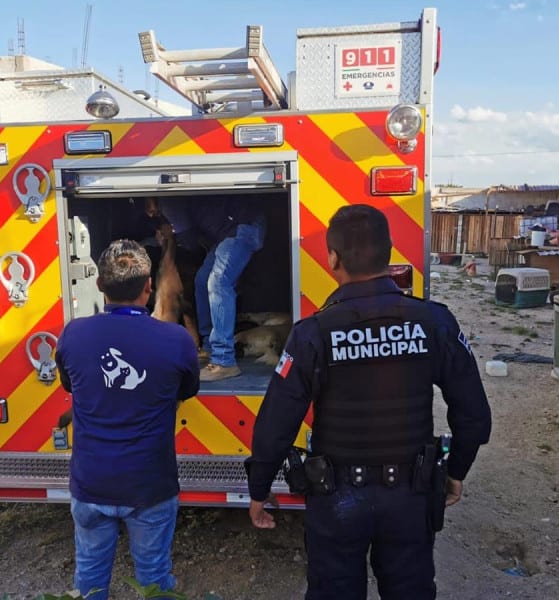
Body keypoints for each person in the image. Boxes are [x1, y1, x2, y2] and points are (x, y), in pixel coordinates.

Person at [245, 204, 492, 599]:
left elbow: (277, 421)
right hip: (411, 496)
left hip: (337, 500)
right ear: (389, 252)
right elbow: (474, 414)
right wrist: (456, 469)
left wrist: (259, 488)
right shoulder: (435, 322)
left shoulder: (312, 334)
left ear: (332, 259)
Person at [55, 239, 200, 600]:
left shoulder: (73, 333)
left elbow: (71, 385)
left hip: (90, 483)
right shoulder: (177, 339)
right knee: (153, 578)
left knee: (89, 577)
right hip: (150, 486)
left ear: (99, 285)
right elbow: (188, 389)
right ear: (148, 286)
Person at [159, 196, 266, 382]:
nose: (149, 212)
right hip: (230, 231)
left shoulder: (168, 201)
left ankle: (224, 360)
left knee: (218, 282)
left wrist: (169, 239)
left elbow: (189, 241)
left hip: (243, 227)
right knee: (202, 281)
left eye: (148, 205)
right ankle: (210, 348)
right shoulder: (169, 202)